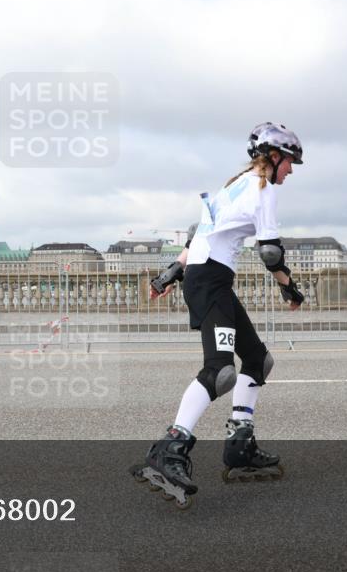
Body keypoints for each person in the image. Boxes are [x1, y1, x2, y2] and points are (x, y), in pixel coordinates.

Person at [130, 122, 305, 508]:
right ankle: (170, 448)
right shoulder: (263, 189)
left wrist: (168, 276)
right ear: (273, 157)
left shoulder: (233, 187)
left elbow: (198, 237)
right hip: (210, 281)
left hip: (206, 277)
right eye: (290, 162)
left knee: (258, 360)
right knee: (220, 371)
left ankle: (240, 444)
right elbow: (270, 252)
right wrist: (289, 287)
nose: (291, 170)